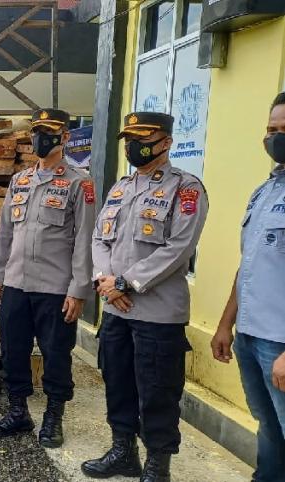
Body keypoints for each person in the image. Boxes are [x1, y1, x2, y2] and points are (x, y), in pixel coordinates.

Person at [82, 112, 208, 482]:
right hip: (117, 310)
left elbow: (179, 247)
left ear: (166, 142)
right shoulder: (121, 188)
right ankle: (123, 451)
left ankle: (157, 465)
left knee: (157, 392)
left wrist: (125, 283)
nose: (133, 145)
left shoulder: (185, 188)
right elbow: (99, 239)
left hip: (157, 313)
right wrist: (105, 281)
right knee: (118, 382)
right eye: (128, 139)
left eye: (143, 137)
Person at [0, 108, 95, 448]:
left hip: (55, 288)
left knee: (56, 355)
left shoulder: (80, 182)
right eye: (36, 132)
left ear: (64, 137)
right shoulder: (21, 180)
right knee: (13, 351)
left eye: (48, 132)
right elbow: (5, 233)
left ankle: (53, 416)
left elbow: (85, 239)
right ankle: (18, 412)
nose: (39, 138)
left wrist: (78, 291)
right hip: (16, 283)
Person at [211, 93, 285, 482]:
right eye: (271, 130)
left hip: (281, 342)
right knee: (268, 428)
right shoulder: (265, 191)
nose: (275, 138)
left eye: (284, 131)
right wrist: (226, 325)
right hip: (251, 337)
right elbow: (249, 267)